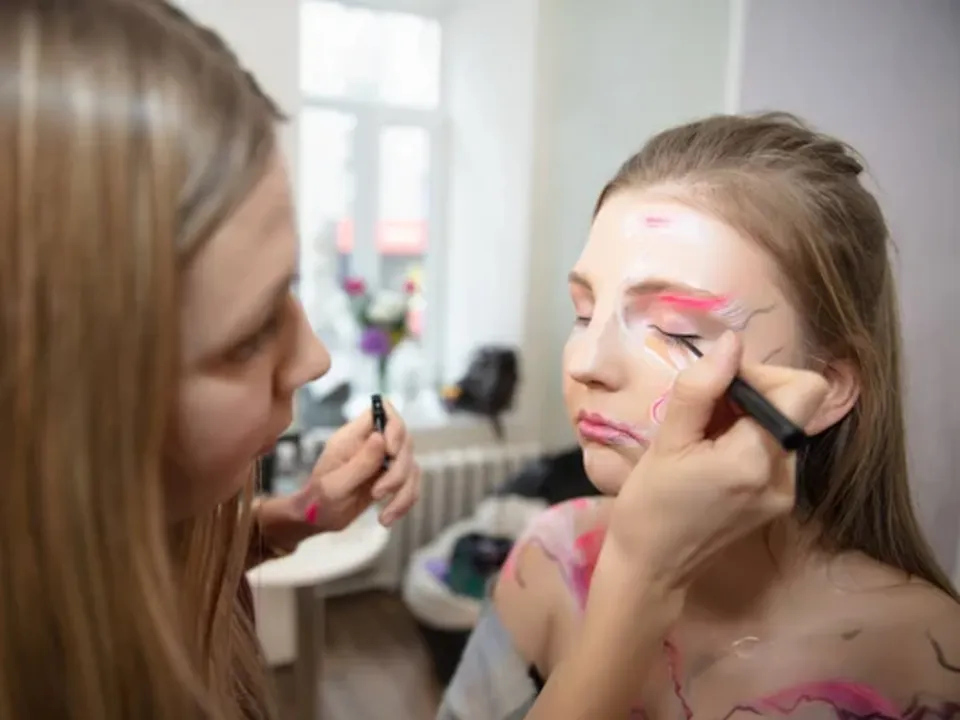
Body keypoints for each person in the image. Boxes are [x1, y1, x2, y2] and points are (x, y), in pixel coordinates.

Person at [439, 112, 960, 719]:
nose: (585, 361)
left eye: (678, 331)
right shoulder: (553, 556)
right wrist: (635, 586)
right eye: (584, 312)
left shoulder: (928, 656)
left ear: (828, 389)